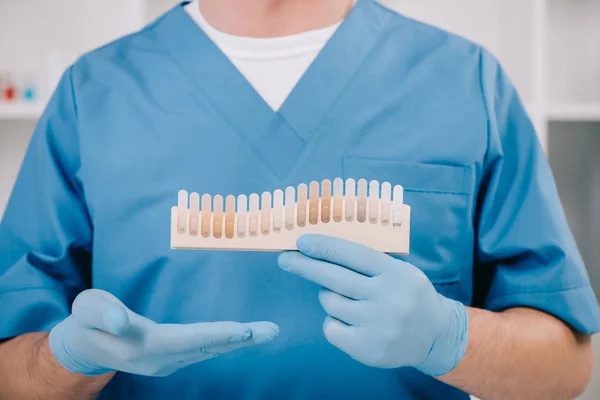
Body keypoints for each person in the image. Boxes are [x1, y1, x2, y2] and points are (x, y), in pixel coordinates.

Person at [0, 0, 599, 398]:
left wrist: (453, 338)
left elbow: (569, 363)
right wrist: (67, 360)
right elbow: (10, 369)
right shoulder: (96, 92)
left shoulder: (464, 81)